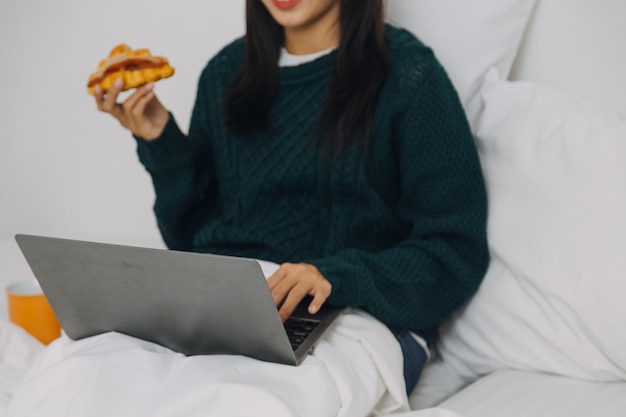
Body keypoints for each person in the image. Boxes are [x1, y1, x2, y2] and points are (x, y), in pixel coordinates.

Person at [93, 0, 489, 396]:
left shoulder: (409, 73)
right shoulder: (225, 73)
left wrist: (335, 276)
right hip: (231, 312)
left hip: (354, 317)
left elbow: (455, 250)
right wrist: (161, 141)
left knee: (242, 399)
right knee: (93, 373)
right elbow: (195, 242)